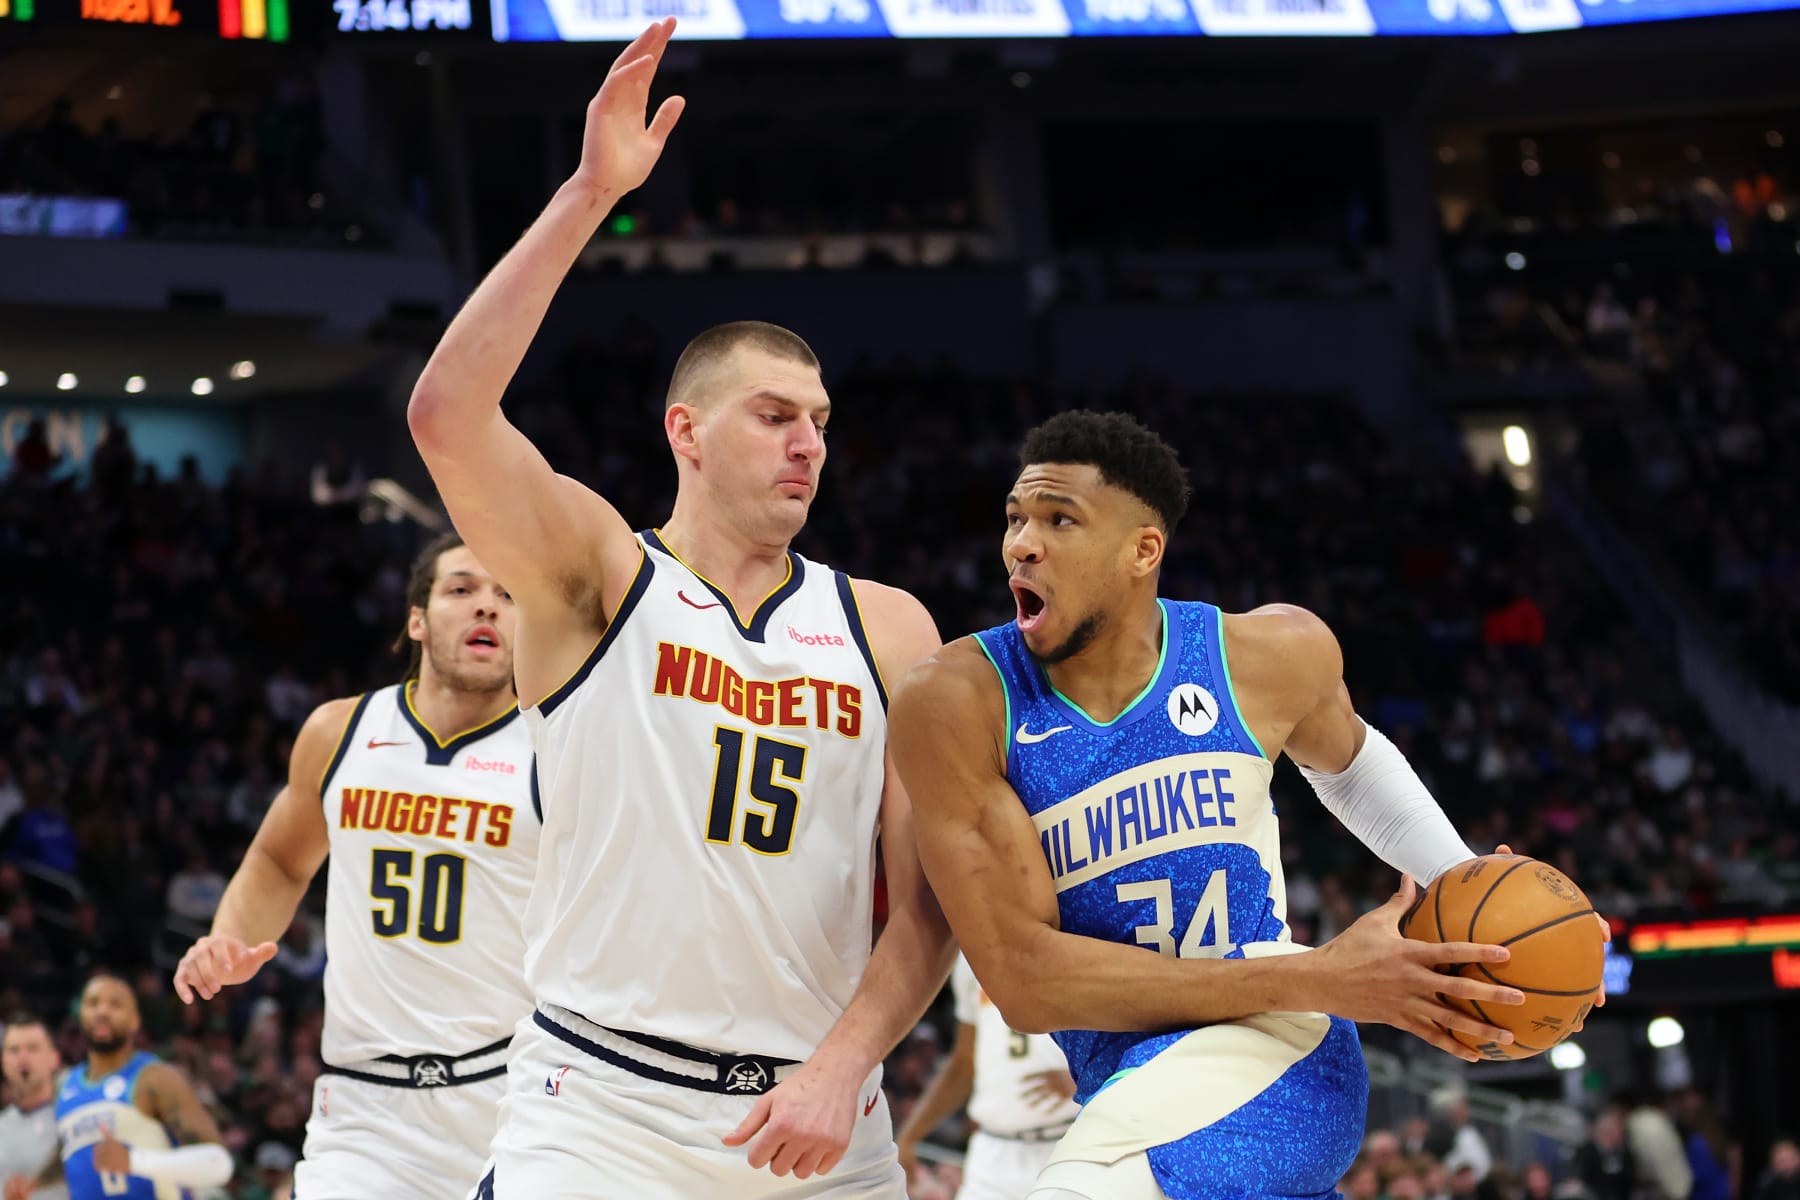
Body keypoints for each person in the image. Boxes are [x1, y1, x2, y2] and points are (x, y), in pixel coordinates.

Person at [408, 18, 950, 1198]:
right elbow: (448, 412)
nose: (808, 442)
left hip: (821, 1115)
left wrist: (847, 1064)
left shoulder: (893, 627)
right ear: (686, 431)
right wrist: (593, 191)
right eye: (773, 415)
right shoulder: (600, 576)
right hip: (599, 1111)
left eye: (819, 421)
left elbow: (930, 902)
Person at [890, 411, 1593, 1200]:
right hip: (1146, 1065)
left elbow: (1353, 767)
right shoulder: (961, 701)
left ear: (1142, 550)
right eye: (1016, 518)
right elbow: (1023, 983)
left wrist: (1474, 888)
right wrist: (1325, 976)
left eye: (1060, 519)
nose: (1022, 542)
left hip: (1279, 1045)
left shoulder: (1265, 655)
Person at [170, 533, 538, 1200]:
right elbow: (281, 860)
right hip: (365, 1107)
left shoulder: (557, 747)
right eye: (462, 589)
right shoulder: (340, 732)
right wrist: (228, 937)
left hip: (512, 1096)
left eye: (507, 595)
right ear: (417, 619)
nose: (487, 608)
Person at [896, 956, 1079, 1200]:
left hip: (1068, 1143)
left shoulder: (1074, 937)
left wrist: (1083, 1078)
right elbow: (963, 1063)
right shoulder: (969, 958)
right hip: (992, 1151)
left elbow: (1132, 1033)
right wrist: (909, 1136)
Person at [53, 974, 231, 1199]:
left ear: (135, 1020)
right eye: (93, 1003)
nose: (102, 1011)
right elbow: (68, 1168)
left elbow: (219, 1163)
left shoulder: (156, 1078)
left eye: (115, 1004)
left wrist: (133, 1161)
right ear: (80, 1014)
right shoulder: (63, 1086)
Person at [1, 1014, 66, 1200]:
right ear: (3, 1061)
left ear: (54, 1058)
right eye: (14, 1050)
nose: (22, 1058)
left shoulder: (71, 1120)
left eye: (33, 1048)